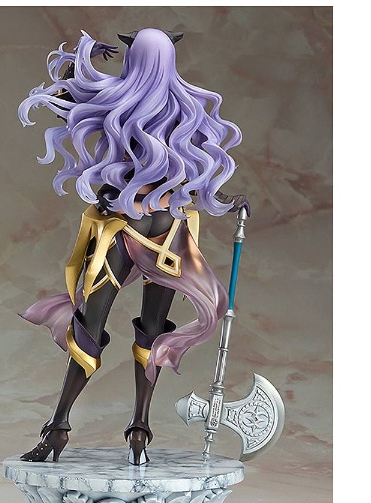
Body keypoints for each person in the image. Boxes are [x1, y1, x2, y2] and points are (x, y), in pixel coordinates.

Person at [17, 28, 249, 465]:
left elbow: (64, 97)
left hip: (133, 230)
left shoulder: (127, 99)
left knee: (98, 329)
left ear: (132, 57)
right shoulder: (181, 108)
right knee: (138, 329)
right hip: (160, 232)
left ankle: (66, 428)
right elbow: (197, 173)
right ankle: (130, 429)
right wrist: (223, 199)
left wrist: (83, 56)